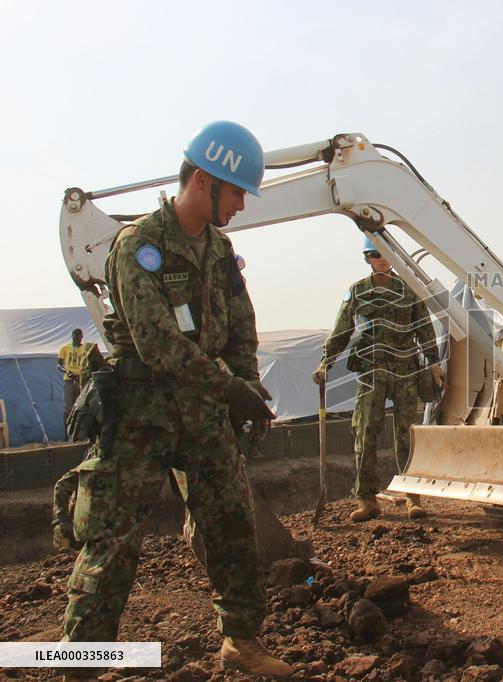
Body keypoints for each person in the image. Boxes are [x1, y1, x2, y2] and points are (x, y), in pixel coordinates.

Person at [60, 121, 292, 678]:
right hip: (141, 413)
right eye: (236, 191)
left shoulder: (220, 249)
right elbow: (159, 345)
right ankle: (80, 666)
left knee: (234, 524)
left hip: (204, 416)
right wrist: (233, 392)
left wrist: (249, 384)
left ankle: (241, 640)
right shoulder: (136, 246)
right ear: (205, 181)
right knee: (111, 545)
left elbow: (241, 330)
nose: (240, 205)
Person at [313, 236, 442, 522]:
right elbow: (341, 332)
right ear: (367, 259)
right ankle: (367, 499)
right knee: (365, 432)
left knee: (407, 434)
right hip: (371, 372)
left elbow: (424, 329)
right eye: (374, 255)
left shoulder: (409, 290)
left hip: (405, 370)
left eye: (384, 254)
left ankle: (412, 496)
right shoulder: (357, 292)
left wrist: (434, 363)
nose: (380, 259)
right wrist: (325, 363)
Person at [58, 328, 87, 426]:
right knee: (68, 407)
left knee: (81, 406)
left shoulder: (86, 348)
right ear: (72, 336)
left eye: (79, 337)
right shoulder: (65, 348)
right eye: (75, 337)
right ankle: (68, 430)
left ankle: (81, 432)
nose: (77, 340)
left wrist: (81, 375)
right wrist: (66, 371)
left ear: (82, 337)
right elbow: (58, 365)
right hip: (68, 380)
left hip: (81, 380)